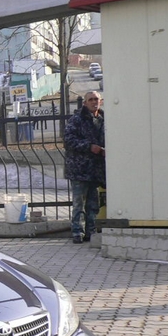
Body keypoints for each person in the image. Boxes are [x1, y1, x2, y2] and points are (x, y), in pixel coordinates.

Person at [64, 91, 105, 244]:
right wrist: (89, 147)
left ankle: (91, 232)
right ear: (85, 103)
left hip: (95, 169)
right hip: (79, 169)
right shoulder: (77, 120)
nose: (94, 102)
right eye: (91, 100)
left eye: (96, 99)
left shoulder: (102, 119)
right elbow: (68, 140)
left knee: (93, 204)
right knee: (79, 204)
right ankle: (77, 232)